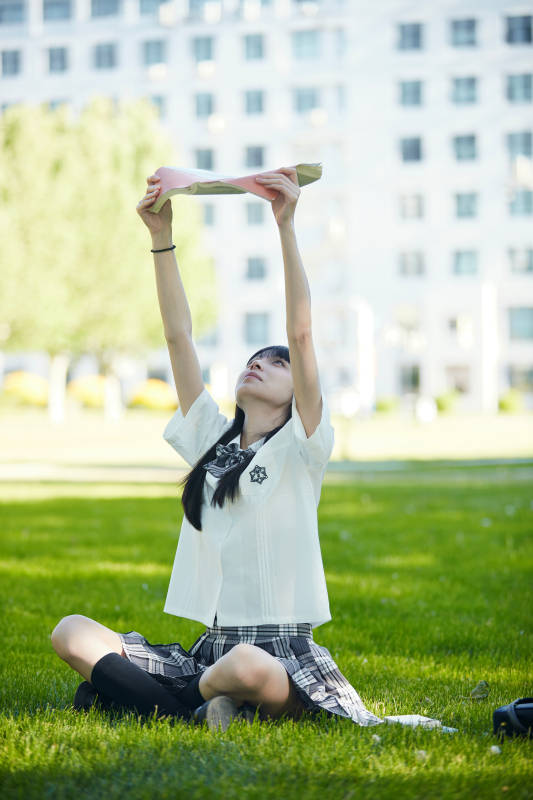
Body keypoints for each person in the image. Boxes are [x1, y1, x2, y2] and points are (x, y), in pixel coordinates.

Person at [49, 168, 391, 732]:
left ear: (296, 388)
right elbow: (178, 337)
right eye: (255, 357)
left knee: (247, 668)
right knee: (71, 632)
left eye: (275, 362)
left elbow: (302, 333)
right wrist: (161, 237)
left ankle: (141, 699)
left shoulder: (306, 445)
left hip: (276, 657)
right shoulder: (213, 440)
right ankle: (197, 707)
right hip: (208, 653)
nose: (258, 363)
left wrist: (285, 226)